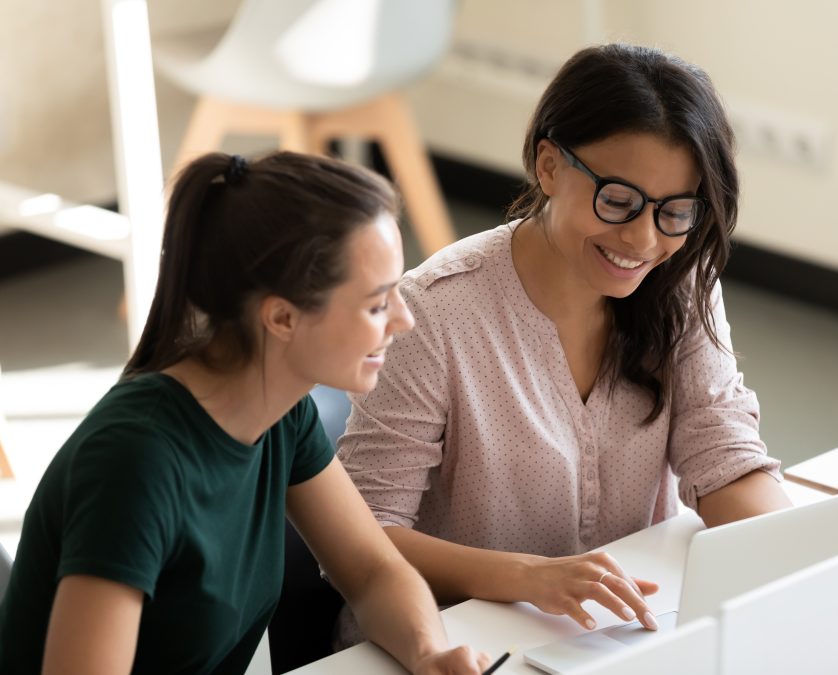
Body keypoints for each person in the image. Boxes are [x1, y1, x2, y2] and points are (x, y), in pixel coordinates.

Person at [334, 43, 793, 647]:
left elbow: (727, 458)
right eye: (619, 201)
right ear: (548, 167)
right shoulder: (436, 311)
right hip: (450, 637)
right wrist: (528, 577)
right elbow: (358, 539)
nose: (644, 239)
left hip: (610, 637)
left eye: (675, 212)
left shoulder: (682, 286)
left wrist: (798, 559)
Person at [0, 152, 489, 674]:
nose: (405, 320)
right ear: (281, 317)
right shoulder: (135, 465)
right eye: (376, 304)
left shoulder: (282, 413)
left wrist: (430, 654)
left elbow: (372, 571)